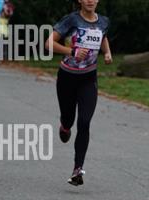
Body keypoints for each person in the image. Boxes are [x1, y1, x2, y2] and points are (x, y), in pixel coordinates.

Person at [46, 0, 111, 186]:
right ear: (80, 1)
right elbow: (48, 43)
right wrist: (71, 51)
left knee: (84, 122)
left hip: (88, 79)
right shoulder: (71, 20)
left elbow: (103, 36)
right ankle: (65, 126)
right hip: (67, 78)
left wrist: (107, 53)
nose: (90, 0)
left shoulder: (104, 21)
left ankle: (77, 169)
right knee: (69, 119)